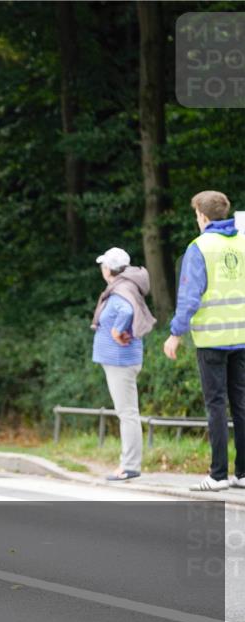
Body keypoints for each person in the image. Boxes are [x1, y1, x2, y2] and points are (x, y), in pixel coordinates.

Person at [163, 191, 245, 491]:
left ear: (203, 216)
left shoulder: (199, 248)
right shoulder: (243, 242)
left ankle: (218, 475)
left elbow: (189, 298)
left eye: (196, 214)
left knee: (216, 406)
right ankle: (243, 473)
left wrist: (175, 334)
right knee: (242, 404)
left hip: (212, 339)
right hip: (242, 338)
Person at [90, 247, 156, 481]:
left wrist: (117, 329)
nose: (102, 270)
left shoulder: (121, 290)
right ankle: (129, 464)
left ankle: (129, 466)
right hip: (120, 360)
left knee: (127, 413)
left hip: (121, 360)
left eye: (103, 266)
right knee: (127, 412)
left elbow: (126, 310)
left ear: (108, 269)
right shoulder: (125, 287)